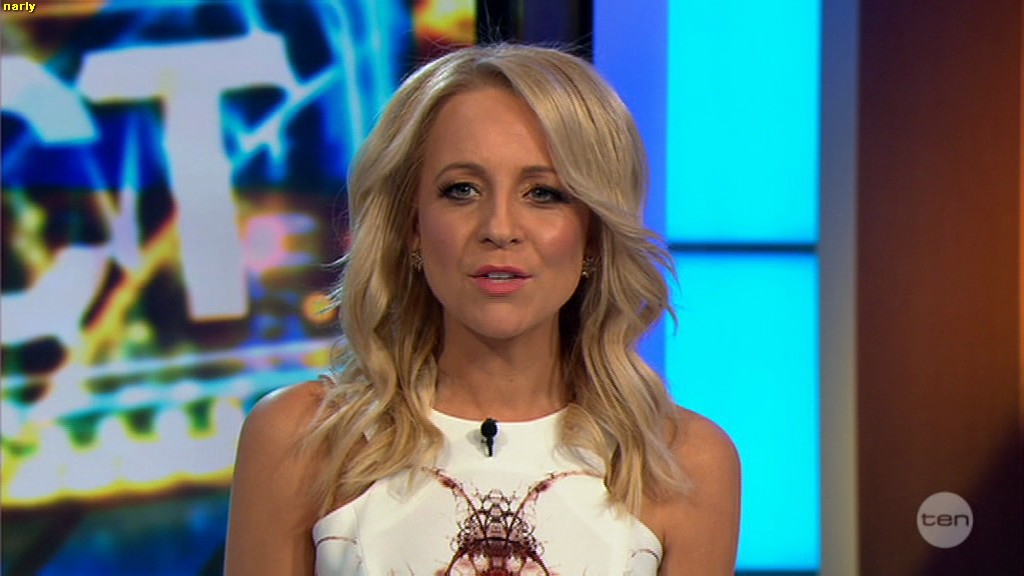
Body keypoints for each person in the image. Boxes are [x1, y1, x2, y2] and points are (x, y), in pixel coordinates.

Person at [224, 43, 740, 575]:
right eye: (462, 190)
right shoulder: (301, 438)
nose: (499, 228)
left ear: (593, 234)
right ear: (412, 226)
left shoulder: (683, 463)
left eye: (543, 193)